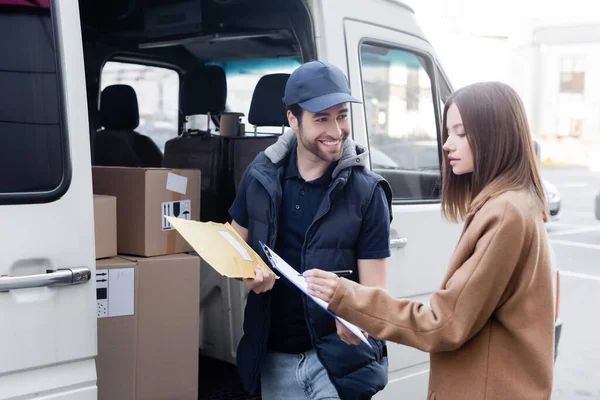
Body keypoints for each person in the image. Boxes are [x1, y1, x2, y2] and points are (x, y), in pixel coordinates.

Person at [305, 81, 555, 400]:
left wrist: (347, 298)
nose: (448, 145)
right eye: (448, 133)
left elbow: (442, 324)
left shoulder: (504, 212)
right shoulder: (517, 203)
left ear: (496, 135)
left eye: (461, 133)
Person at [229, 60, 393, 400]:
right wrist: (247, 272)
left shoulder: (368, 191)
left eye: (342, 115)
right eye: (322, 118)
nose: (336, 130)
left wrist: (357, 316)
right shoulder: (258, 177)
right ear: (293, 120)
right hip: (273, 359)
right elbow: (233, 246)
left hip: (336, 366)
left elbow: (376, 293)